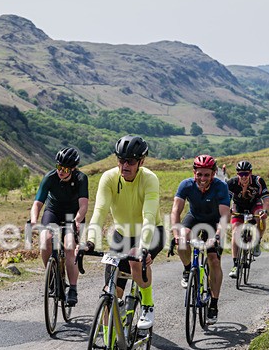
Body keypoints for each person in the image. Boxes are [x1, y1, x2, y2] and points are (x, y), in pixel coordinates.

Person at [85, 135, 165, 333]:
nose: (125, 165)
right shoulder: (109, 178)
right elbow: (100, 211)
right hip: (122, 236)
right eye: (121, 160)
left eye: (130, 161)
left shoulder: (149, 179)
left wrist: (143, 248)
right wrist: (89, 241)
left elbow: (148, 216)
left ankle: (147, 305)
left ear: (141, 162)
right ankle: (106, 349)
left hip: (152, 232)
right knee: (110, 294)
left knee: (135, 263)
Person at [170, 155, 230, 324]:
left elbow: (225, 215)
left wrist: (217, 235)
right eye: (199, 174)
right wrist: (175, 233)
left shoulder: (221, 187)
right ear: (194, 173)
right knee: (182, 238)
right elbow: (176, 210)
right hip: (194, 217)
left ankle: (214, 304)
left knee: (213, 260)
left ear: (214, 173)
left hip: (214, 221)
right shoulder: (186, 185)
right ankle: (188, 268)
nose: (203, 179)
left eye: (207, 175)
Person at [29, 147, 88, 306]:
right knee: (45, 239)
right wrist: (34, 221)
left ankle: (73, 289)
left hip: (72, 215)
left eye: (65, 169)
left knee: (69, 247)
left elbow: (83, 205)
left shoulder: (81, 178)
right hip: (53, 211)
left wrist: (77, 220)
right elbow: (37, 203)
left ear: (73, 168)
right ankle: (52, 279)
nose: (60, 171)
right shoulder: (50, 177)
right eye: (58, 167)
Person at [227, 160, 269, 279]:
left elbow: (266, 199)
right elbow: (226, 200)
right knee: (235, 232)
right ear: (237, 174)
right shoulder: (232, 183)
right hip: (238, 205)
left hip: (254, 204)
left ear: (250, 173)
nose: (243, 177)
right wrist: (228, 209)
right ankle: (235, 265)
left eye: (246, 174)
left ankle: (257, 242)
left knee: (260, 218)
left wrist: (264, 211)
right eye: (240, 174)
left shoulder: (258, 181)